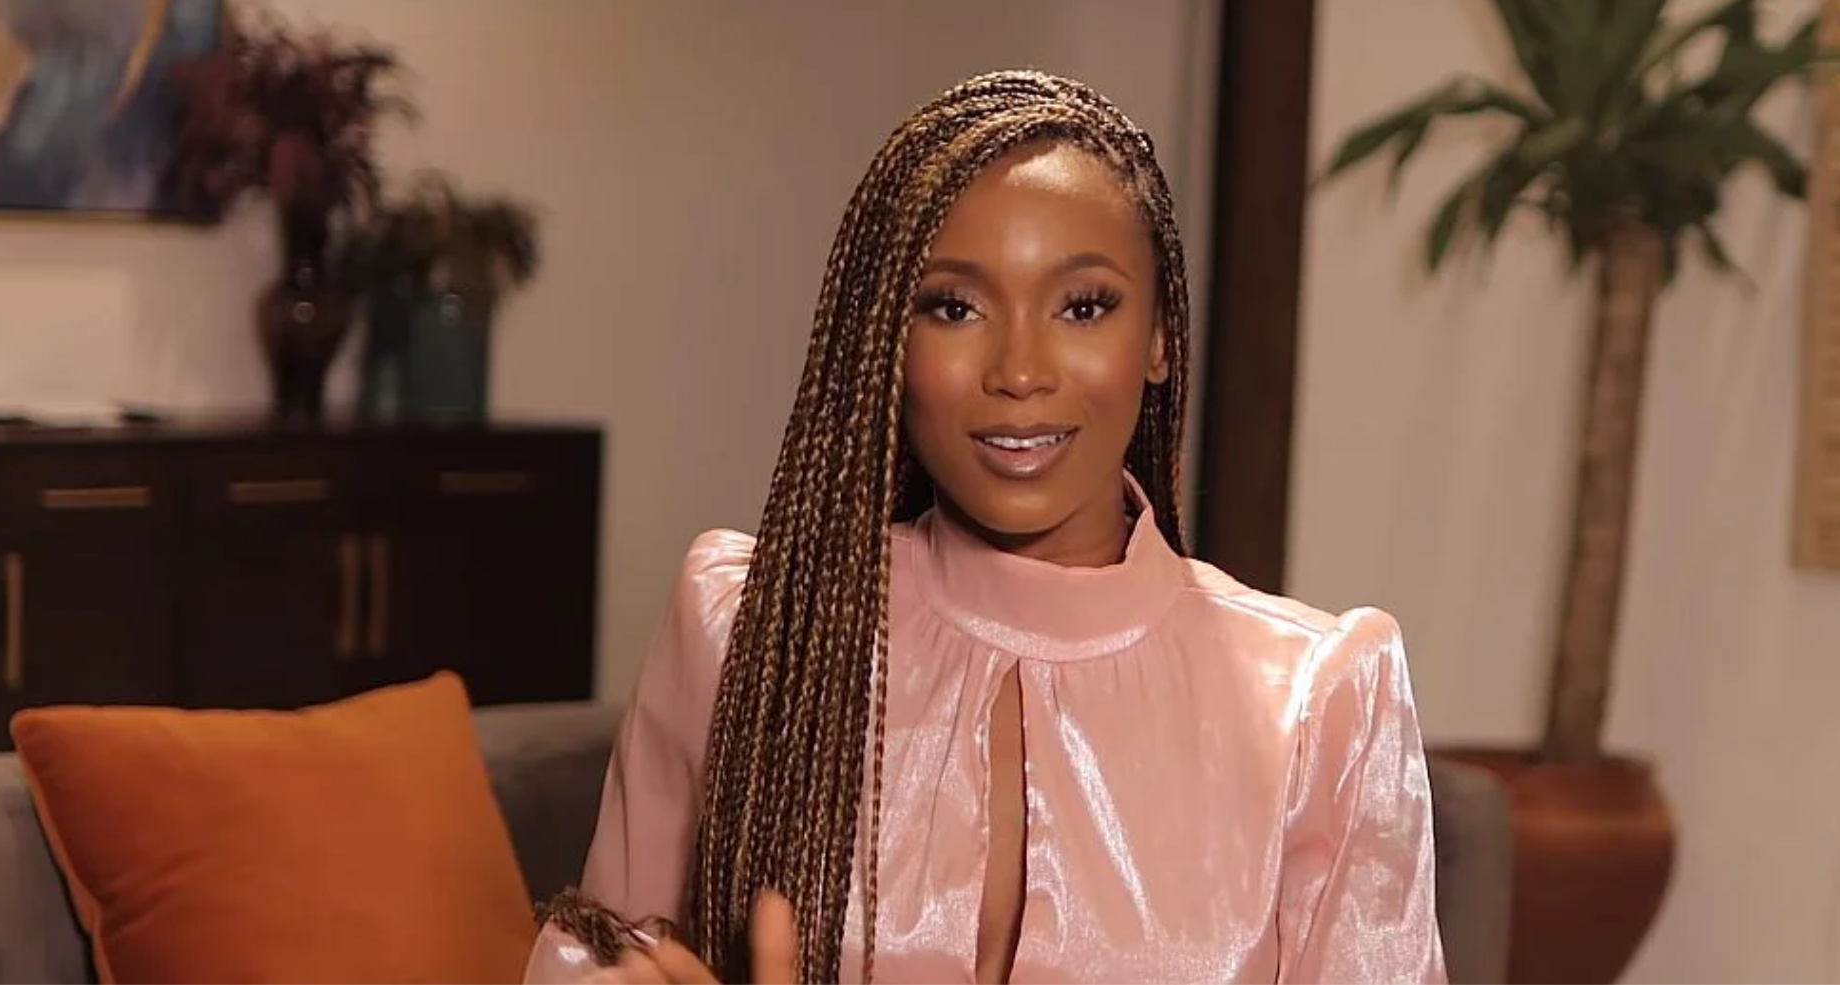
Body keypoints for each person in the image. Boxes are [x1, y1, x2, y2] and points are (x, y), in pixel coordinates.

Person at [525, 69, 1447, 985]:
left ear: (1160, 336)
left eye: (1083, 306)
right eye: (954, 307)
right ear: (891, 339)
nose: (1019, 370)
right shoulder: (747, 627)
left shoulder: (1321, 701)